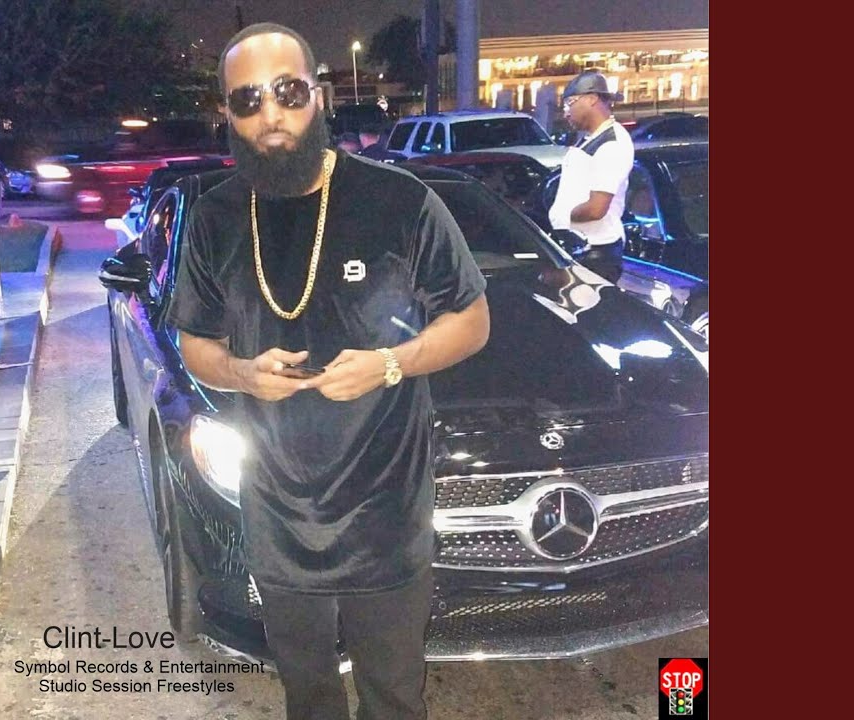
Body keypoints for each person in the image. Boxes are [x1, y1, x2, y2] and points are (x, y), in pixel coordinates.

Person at [166, 22, 490, 720]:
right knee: (308, 697)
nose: (271, 115)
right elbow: (196, 346)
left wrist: (391, 364)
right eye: (248, 100)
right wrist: (242, 374)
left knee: (393, 696)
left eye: (287, 92)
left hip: (385, 513)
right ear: (227, 114)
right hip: (279, 516)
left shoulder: (399, 200)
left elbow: (471, 321)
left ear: (319, 94)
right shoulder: (216, 218)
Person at [547, 70, 634, 284]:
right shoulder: (592, 138)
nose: (566, 112)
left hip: (595, 255)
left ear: (592, 99)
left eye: (570, 103)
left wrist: (563, 218)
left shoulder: (612, 144)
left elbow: (596, 208)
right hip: (582, 250)